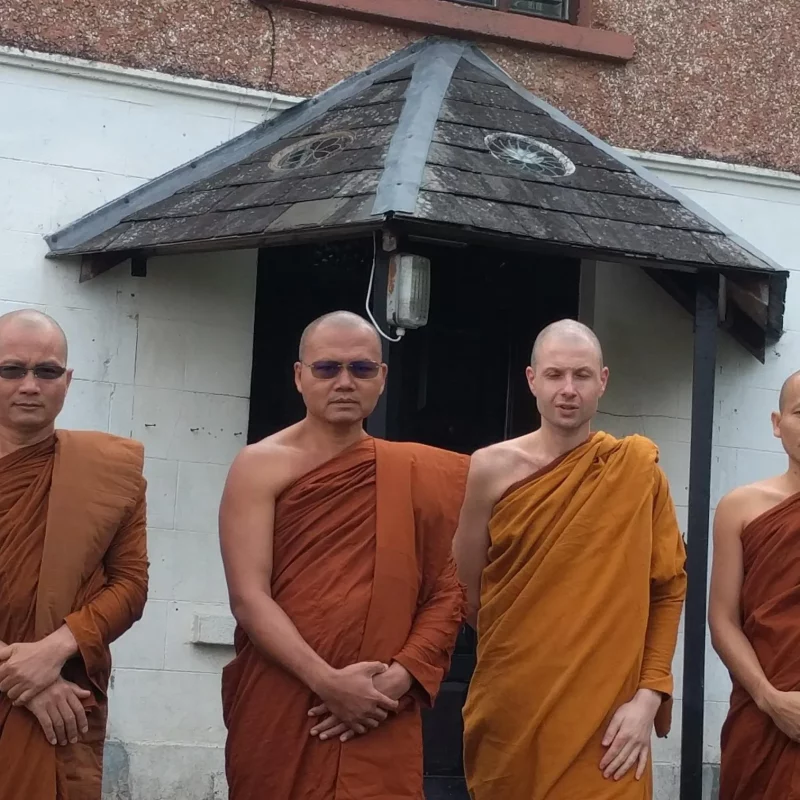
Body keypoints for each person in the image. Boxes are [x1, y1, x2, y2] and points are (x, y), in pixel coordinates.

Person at [218, 310, 469, 799]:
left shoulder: (418, 471)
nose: (345, 382)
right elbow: (249, 598)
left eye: (361, 369)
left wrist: (399, 678)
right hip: (287, 698)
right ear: (299, 376)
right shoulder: (259, 466)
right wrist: (328, 683)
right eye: (327, 368)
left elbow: (449, 586)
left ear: (382, 378)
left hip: (381, 706)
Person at [453, 318, 687, 800]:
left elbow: (667, 588)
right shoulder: (489, 469)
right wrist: (533, 643)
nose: (568, 390)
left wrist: (648, 697)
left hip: (610, 718)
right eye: (555, 375)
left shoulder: (637, 473)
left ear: (602, 381)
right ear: (531, 380)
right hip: (514, 703)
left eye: (581, 376)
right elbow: (465, 590)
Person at [0, 309, 148, 800]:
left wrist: (55, 650)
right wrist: (28, 678)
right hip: (49, 693)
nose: (29, 385)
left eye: (45, 371)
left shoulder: (108, 471)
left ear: (67, 381)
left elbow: (130, 585)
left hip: (62, 700)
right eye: (11, 370)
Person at [709, 370, 800, 799]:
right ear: (776, 422)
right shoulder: (739, 508)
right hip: (761, 714)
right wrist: (769, 699)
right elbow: (723, 619)